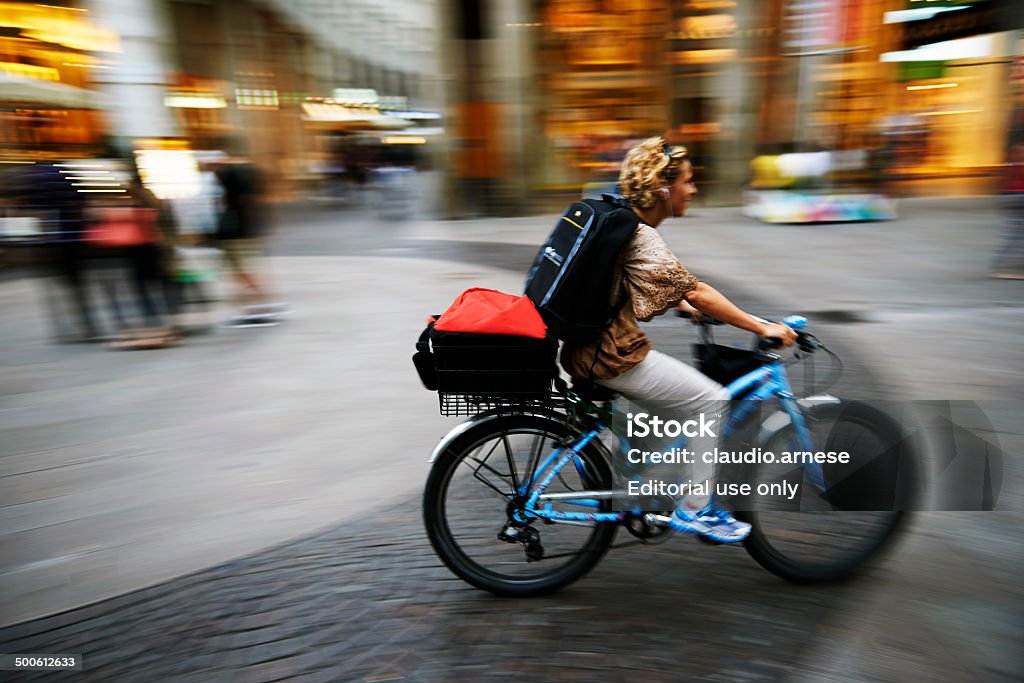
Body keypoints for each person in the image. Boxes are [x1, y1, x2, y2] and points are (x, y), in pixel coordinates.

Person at [560, 136, 797, 542]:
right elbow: (696, 290)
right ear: (663, 188)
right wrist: (762, 327)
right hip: (611, 356)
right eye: (688, 180)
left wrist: (681, 305)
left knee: (674, 411)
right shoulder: (637, 232)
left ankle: (633, 467)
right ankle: (695, 508)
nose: (694, 189)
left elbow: (627, 282)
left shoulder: (618, 217)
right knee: (710, 400)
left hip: (589, 350)